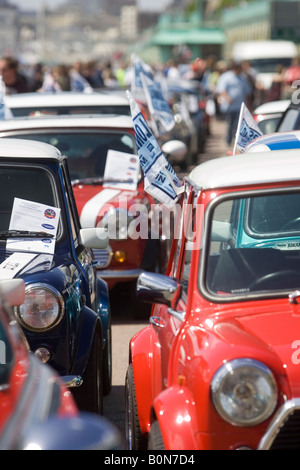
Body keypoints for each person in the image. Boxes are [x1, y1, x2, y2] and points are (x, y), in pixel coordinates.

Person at [216, 61, 252, 147]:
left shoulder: (243, 77)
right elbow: (221, 90)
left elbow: (248, 92)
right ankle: (228, 141)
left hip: (240, 106)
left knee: (238, 126)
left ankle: (237, 142)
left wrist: (249, 105)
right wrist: (227, 98)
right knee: (229, 124)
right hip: (229, 107)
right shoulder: (226, 77)